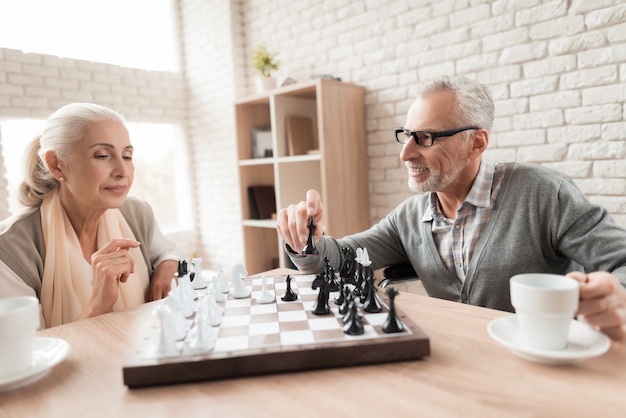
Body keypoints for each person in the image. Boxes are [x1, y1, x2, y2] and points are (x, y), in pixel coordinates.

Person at [276, 75, 626, 342]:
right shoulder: (409, 218)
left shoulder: (544, 193)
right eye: (406, 135)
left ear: (476, 142)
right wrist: (306, 240)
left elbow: (620, 262)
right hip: (456, 366)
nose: (405, 154)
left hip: (544, 369)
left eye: (425, 138)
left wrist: (615, 293)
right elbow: (341, 257)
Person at [0, 103, 183, 328]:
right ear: (56, 165)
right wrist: (99, 304)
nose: (122, 171)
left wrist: (168, 265)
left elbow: (168, 251)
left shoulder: (136, 213)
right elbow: (29, 354)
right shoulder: (11, 249)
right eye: (102, 155)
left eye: (127, 156)